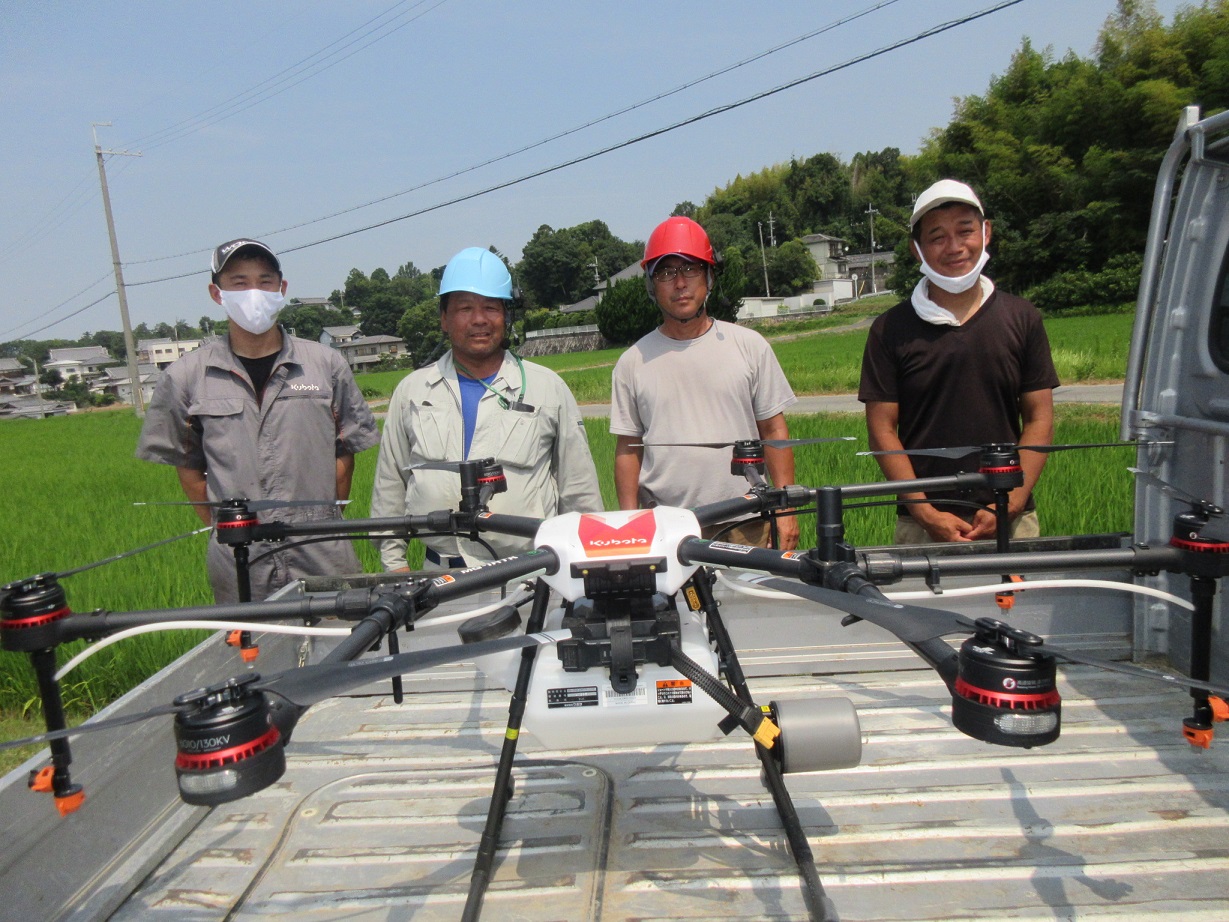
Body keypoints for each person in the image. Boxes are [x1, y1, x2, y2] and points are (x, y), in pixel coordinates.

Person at [136, 238, 379, 603]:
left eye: (265, 281)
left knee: (339, 641)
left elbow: (344, 453)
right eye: (239, 282)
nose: (254, 292)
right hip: (239, 557)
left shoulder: (325, 364)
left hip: (323, 545)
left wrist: (320, 517)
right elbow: (188, 467)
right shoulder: (186, 376)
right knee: (252, 651)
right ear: (216, 293)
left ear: (282, 289)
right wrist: (227, 528)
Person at [370, 246, 603, 569]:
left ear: (506, 316)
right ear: (444, 319)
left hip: (529, 575)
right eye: (465, 308)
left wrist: (586, 570)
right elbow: (390, 485)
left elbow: (580, 492)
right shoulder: (412, 392)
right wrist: (395, 565)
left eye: (490, 307)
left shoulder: (547, 388)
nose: (479, 319)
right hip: (438, 579)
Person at [858, 179, 1060, 544]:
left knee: (1015, 603)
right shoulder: (890, 329)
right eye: (936, 237)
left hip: (1012, 518)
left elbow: (1039, 417)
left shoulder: (1021, 317)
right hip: (921, 525)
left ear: (986, 232)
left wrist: (1010, 503)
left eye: (965, 231)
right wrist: (924, 511)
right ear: (916, 250)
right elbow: (882, 430)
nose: (954, 247)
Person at [610, 216, 800, 549]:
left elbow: (773, 430)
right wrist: (628, 524)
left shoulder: (749, 345)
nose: (680, 283)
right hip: (668, 527)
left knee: (753, 601)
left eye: (691, 270)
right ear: (651, 285)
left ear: (709, 277)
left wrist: (785, 509)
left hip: (747, 519)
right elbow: (629, 449)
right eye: (666, 273)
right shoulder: (633, 362)